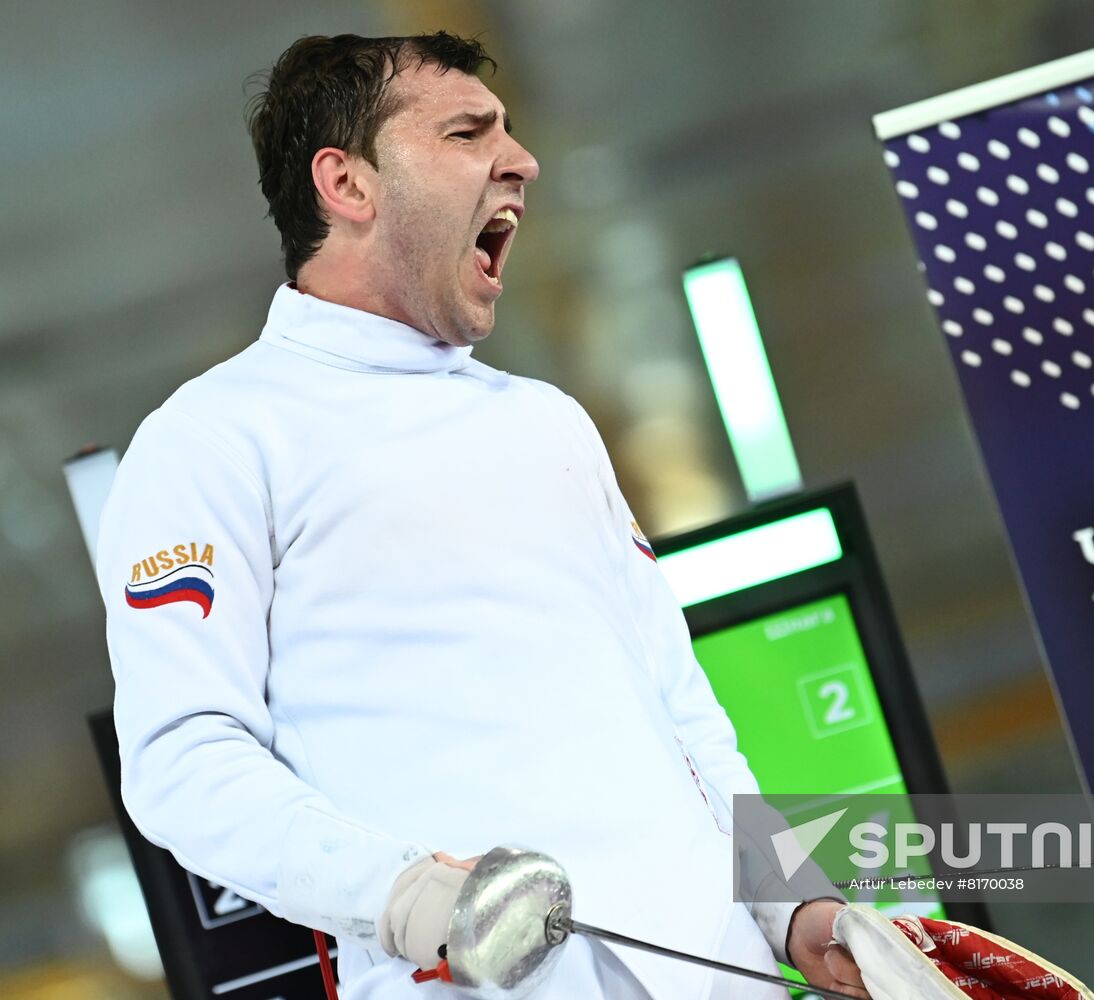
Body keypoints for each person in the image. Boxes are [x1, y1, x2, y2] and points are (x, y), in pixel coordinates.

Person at [96, 31, 868, 1000]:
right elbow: (182, 761)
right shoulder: (214, 438)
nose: (522, 161)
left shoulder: (548, 420)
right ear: (348, 183)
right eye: (467, 133)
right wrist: (410, 897)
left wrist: (791, 903)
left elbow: (686, 716)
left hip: (724, 976)